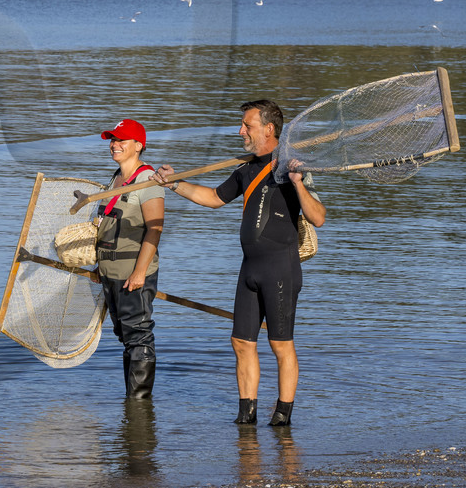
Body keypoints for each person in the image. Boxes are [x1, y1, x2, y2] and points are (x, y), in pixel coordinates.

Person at [159, 100, 326, 426]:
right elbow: (213, 199)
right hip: (249, 269)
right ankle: (246, 416)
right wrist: (174, 183)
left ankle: (282, 417)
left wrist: (297, 182)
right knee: (240, 341)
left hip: (281, 269)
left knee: (280, 344)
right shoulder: (246, 169)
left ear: (268, 128)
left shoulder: (294, 166)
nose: (240, 131)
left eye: (247, 125)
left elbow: (318, 218)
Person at [94, 119, 164, 399]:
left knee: (139, 336)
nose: (114, 145)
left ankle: (139, 405)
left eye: (121, 140)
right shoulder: (115, 178)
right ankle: (132, 403)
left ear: (138, 146)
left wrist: (140, 273)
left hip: (133, 273)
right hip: (110, 272)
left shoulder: (148, 181)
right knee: (125, 336)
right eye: (112, 140)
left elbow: (155, 228)